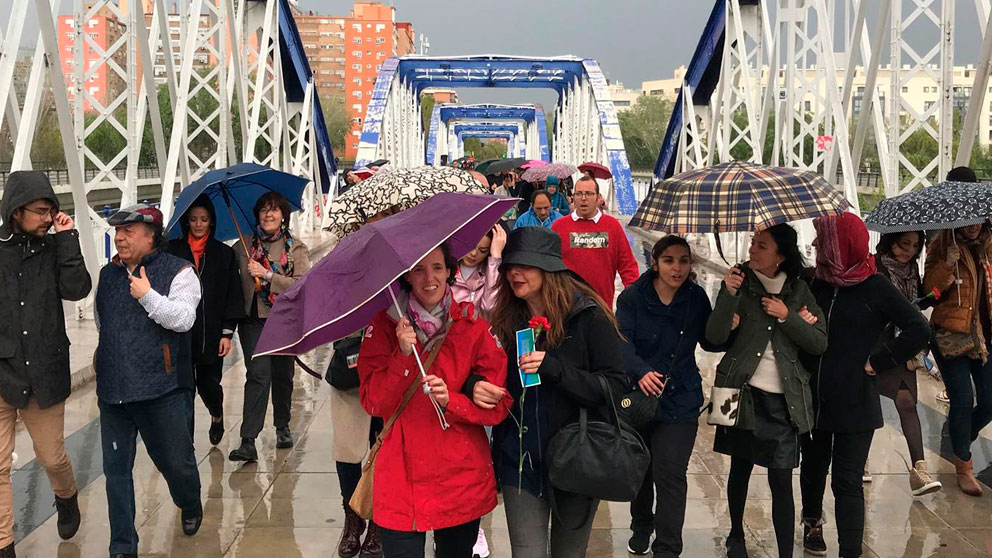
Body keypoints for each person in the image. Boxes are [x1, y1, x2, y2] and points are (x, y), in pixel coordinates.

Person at [357, 244, 512, 558]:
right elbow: (374, 402)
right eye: (419, 269)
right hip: (401, 474)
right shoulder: (385, 326)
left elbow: (499, 403)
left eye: (438, 268)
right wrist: (401, 356)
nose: (430, 278)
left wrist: (453, 400)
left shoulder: (471, 326)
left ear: (449, 271)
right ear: (407, 278)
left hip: (458, 473)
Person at [485, 227, 628, 558]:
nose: (514, 273)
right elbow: (485, 372)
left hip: (577, 460)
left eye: (525, 265)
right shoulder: (507, 320)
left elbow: (614, 387)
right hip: (520, 462)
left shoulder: (589, 317)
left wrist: (555, 369)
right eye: (509, 266)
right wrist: (478, 386)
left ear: (549, 268)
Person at [798, 214, 930, 558]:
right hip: (813, 396)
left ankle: (851, 551)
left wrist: (879, 361)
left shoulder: (876, 286)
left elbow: (919, 329)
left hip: (856, 399)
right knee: (813, 469)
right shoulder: (814, 283)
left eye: (823, 241)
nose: (816, 245)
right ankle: (812, 522)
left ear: (842, 246)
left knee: (847, 479)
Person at [705, 223, 827, 558]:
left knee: (781, 480)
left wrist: (788, 316)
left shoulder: (800, 291)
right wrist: (727, 295)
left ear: (781, 255)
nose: (753, 251)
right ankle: (735, 535)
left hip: (784, 402)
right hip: (741, 394)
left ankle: (786, 551)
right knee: (739, 468)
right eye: (752, 243)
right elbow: (714, 337)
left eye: (761, 246)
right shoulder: (739, 284)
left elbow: (819, 343)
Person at [95, 204, 203, 558]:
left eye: (128, 231)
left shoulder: (180, 272)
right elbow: (102, 321)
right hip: (113, 394)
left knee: (177, 463)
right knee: (116, 475)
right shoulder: (107, 275)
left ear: (151, 236)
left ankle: (189, 502)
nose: (119, 237)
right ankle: (123, 548)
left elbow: (184, 319)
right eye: (117, 231)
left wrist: (148, 296)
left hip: (161, 391)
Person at [0, 171, 90, 557]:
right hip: (2, 371)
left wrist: (68, 238)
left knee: (51, 456)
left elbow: (78, 290)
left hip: (44, 373)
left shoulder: (55, 248)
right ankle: (5, 543)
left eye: (51, 210)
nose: (47, 218)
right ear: (16, 211)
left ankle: (66, 495)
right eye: (40, 211)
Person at [616, 236, 724, 557]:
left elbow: (710, 342)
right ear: (655, 262)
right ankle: (641, 524)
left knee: (670, 473)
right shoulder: (633, 297)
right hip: (640, 398)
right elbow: (621, 342)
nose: (677, 268)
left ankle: (668, 547)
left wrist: (727, 319)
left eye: (683, 261)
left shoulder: (696, 298)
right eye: (669, 260)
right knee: (642, 469)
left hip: (681, 400)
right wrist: (640, 372)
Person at [229, 192, 311, 462]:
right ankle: (248, 439)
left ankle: (282, 425)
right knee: (258, 373)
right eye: (264, 209)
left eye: (274, 210)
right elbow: (228, 280)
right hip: (253, 320)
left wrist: (267, 275)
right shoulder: (243, 246)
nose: (268, 214)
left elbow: (301, 286)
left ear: (283, 215)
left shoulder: (296, 248)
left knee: (282, 374)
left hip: (284, 319)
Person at [166, 194, 245, 446]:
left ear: (212, 222)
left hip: (211, 334)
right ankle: (184, 440)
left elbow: (233, 292)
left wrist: (227, 332)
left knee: (208, 385)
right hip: (181, 334)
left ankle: (216, 413)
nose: (198, 224)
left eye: (204, 219)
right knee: (183, 391)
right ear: (186, 222)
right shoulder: (173, 251)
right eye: (193, 219)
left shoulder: (223, 254)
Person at [924, 220, 992, 496]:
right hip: (951, 333)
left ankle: (961, 435)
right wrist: (947, 266)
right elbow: (929, 294)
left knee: (989, 400)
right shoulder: (941, 245)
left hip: (985, 336)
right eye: (967, 222)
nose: (973, 226)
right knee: (963, 399)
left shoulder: (989, 244)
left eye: (977, 219)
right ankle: (964, 466)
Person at [873, 230, 942, 496]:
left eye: (915, 246)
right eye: (904, 244)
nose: (909, 251)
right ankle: (860, 463)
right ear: (890, 241)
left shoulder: (913, 270)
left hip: (901, 345)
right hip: (877, 343)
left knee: (907, 402)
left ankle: (919, 469)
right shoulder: (874, 266)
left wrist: (929, 297)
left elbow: (916, 302)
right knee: (865, 402)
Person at [551, 175, 639, 307]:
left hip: (602, 307)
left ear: (598, 198)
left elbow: (628, 266)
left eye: (589, 194)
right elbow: (550, 266)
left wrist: (634, 300)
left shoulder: (612, 226)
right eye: (579, 194)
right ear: (573, 198)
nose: (584, 198)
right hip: (567, 307)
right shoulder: (559, 227)